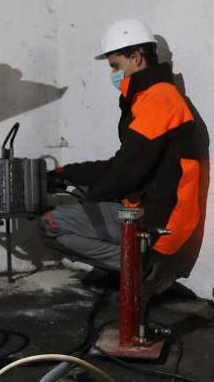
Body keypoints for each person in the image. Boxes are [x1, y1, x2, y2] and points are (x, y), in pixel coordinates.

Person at [41, 19, 204, 297]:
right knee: (88, 200)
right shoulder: (150, 98)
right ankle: (130, 265)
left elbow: (126, 171)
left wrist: (90, 201)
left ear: (136, 58)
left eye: (115, 66)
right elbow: (125, 162)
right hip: (151, 207)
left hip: (159, 219)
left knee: (50, 224)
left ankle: (141, 265)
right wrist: (66, 173)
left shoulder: (159, 100)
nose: (114, 74)